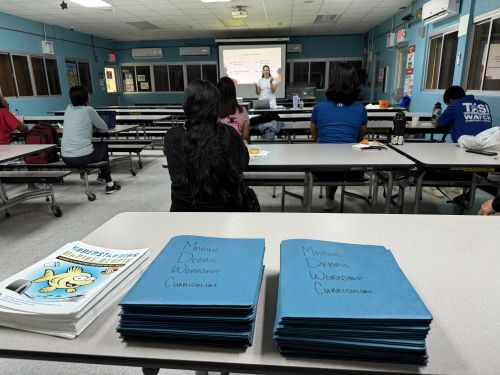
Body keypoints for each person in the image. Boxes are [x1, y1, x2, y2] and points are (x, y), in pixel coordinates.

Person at [164, 79, 254, 212]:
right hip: (228, 214)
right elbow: (242, 163)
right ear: (216, 106)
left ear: (186, 106)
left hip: (183, 214)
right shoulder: (229, 134)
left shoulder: (172, 137)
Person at [310, 62, 368, 211]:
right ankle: (331, 198)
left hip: (322, 170)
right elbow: (361, 139)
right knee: (340, 157)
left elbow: (314, 137)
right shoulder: (360, 109)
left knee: (329, 157)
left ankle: (329, 199)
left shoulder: (319, 108)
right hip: (353, 170)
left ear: (332, 81)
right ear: (354, 82)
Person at [61, 85, 120, 194]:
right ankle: (109, 183)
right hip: (80, 157)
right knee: (103, 146)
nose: (90, 96)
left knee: (96, 147)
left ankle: (104, 176)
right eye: (88, 94)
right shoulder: (88, 110)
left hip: (65, 156)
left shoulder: (68, 109)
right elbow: (104, 128)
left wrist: (89, 130)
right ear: (84, 97)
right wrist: (94, 129)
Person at [217, 76, 250, 143]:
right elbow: (245, 137)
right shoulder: (242, 110)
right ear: (233, 92)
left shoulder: (215, 111)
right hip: (238, 149)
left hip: (219, 149)